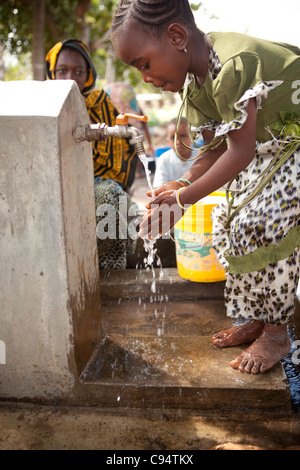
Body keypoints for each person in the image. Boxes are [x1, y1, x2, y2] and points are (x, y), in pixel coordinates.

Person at [110, 0, 300, 374]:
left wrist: (182, 200)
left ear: (177, 36)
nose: (145, 77)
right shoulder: (196, 86)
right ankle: (260, 318)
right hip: (271, 149)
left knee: (261, 222)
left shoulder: (231, 65)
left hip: (291, 142)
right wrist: (182, 182)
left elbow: (240, 151)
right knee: (228, 223)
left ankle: (278, 331)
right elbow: (215, 149)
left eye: (144, 63)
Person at [46, 39, 138, 270]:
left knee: (109, 198)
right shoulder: (42, 106)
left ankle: (110, 273)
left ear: (88, 75)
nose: (70, 77)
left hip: (98, 183)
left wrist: (121, 187)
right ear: (52, 72)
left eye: (78, 71)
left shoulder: (101, 103)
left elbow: (123, 147)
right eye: (62, 70)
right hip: (52, 186)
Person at [153, 117, 198, 188]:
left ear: (192, 137)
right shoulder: (164, 159)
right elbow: (159, 188)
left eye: (183, 136)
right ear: (167, 140)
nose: (178, 142)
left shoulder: (201, 157)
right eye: (173, 137)